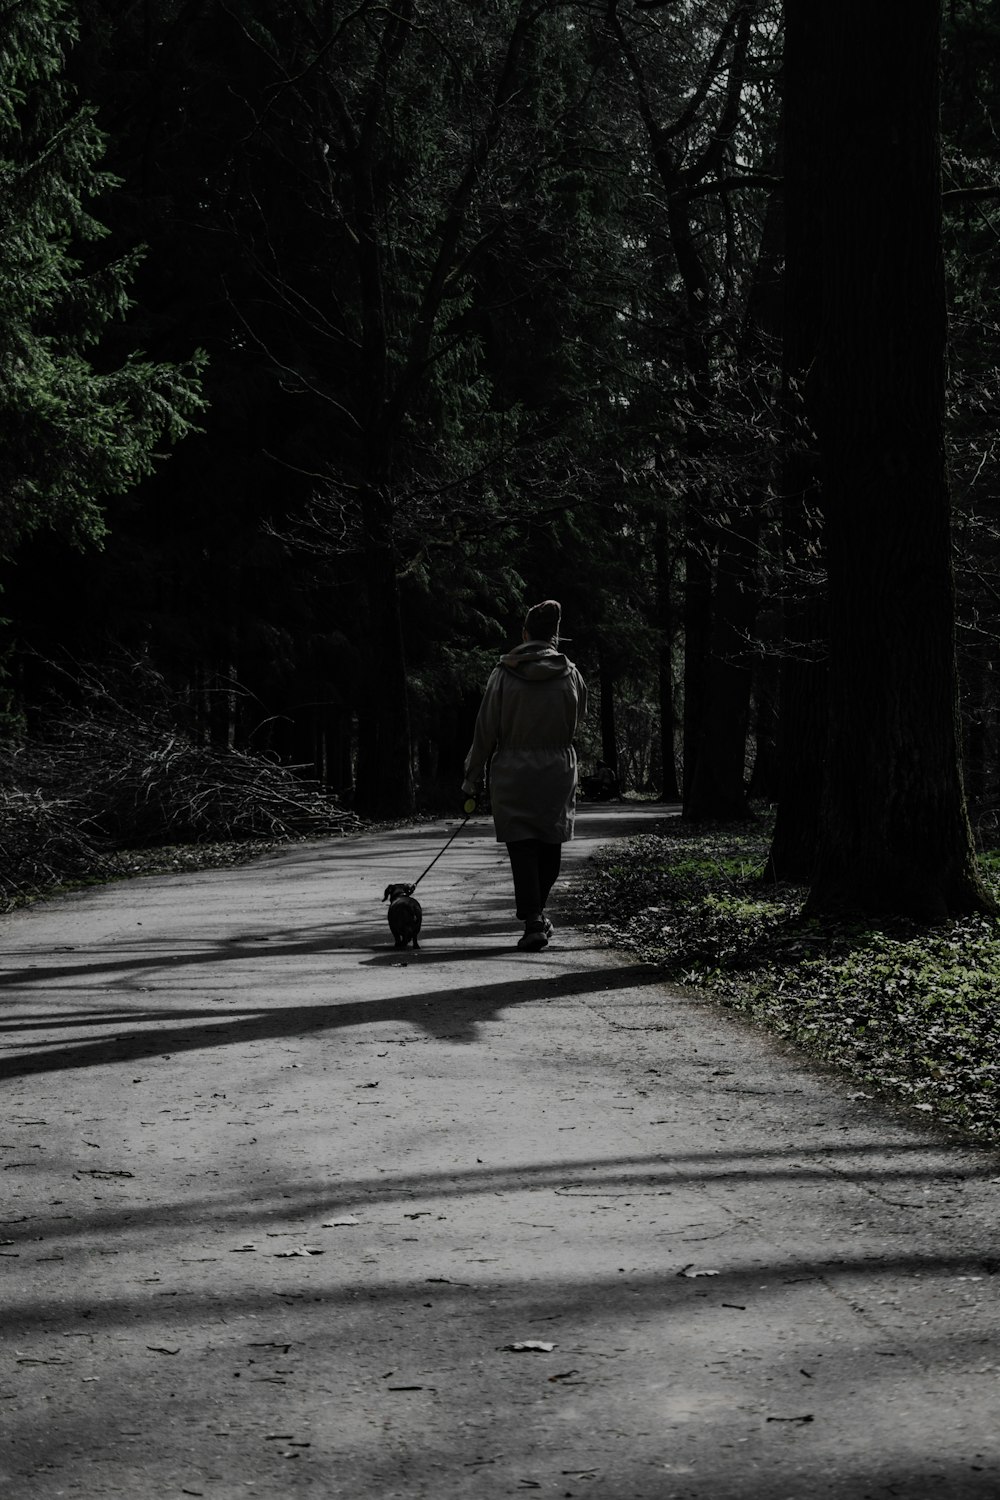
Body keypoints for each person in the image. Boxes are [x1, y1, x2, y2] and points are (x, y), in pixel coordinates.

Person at [461, 599, 587, 951]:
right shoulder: (571, 674)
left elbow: (485, 729)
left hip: (512, 771)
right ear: (555, 637)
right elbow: (578, 721)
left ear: (525, 633)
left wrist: (471, 777)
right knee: (550, 847)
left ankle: (534, 918)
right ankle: (536, 916)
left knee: (523, 850)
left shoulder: (503, 674)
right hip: (556, 771)